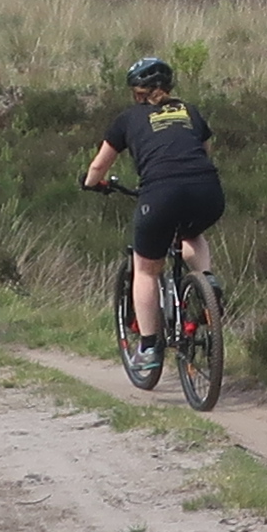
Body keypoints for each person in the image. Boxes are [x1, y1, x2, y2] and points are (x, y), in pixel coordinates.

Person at [80, 53, 222, 385]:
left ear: (136, 92)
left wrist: (91, 183)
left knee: (145, 268)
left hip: (161, 195)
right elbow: (205, 152)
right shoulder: (189, 111)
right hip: (208, 192)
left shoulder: (127, 119)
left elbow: (99, 166)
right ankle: (208, 285)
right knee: (192, 233)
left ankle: (147, 347)